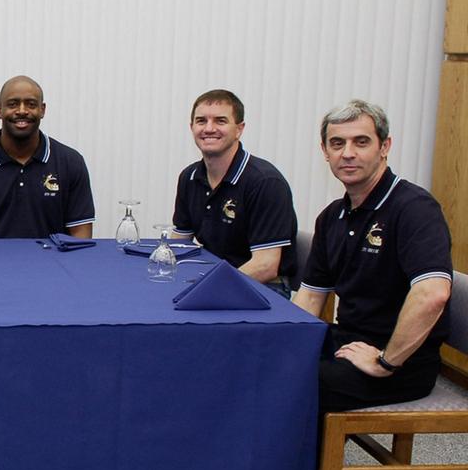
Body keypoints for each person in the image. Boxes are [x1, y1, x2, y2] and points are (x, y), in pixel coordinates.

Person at [294, 99, 453, 413]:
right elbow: (310, 297)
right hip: (348, 342)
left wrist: (386, 362)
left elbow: (433, 294)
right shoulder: (332, 216)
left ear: (385, 146)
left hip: (403, 362)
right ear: (325, 151)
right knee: (262, 362)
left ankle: (295, 462)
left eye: (361, 141)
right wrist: (283, 343)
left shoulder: (413, 208)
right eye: (337, 143)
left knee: (292, 381)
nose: (348, 153)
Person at [171, 89, 297, 290]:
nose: (209, 128)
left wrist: (210, 287)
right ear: (192, 127)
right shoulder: (190, 177)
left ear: (239, 129)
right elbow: (180, 243)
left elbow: (266, 266)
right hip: (212, 279)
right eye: (201, 121)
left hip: (263, 288)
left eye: (220, 121)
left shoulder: (265, 182)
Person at [0, 76, 94, 239]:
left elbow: (81, 235)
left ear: (42, 110)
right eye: (13, 104)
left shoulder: (70, 162)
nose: (22, 111)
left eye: (31, 104)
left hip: (51, 264)